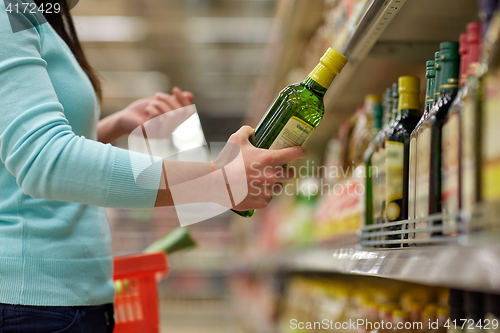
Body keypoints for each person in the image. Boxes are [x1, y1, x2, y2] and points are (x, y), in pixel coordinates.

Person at [0, 1, 306, 332]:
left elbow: (16, 156)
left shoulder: (34, 14)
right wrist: (220, 181)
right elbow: (47, 161)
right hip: (34, 301)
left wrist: (115, 124)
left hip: (67, 296)